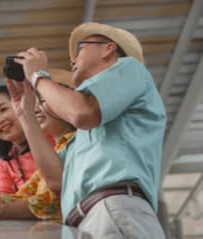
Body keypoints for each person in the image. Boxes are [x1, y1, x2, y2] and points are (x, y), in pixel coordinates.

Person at [11, 22, 167, 238]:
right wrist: (25, 115)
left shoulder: (130, 68)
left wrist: (38, 77)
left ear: (109, 48)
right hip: (87, 221)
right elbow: (57, 179)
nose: (73, 60)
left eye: (81, 48)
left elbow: (81, 112)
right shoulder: (83, 135)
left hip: (112, 209)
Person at [0, 69, 76, 222]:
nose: (36, 109)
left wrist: (2, 210)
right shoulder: (7, 163)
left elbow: (49, 200)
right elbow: (12, 199)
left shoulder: (71, 143)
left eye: (3, 109)